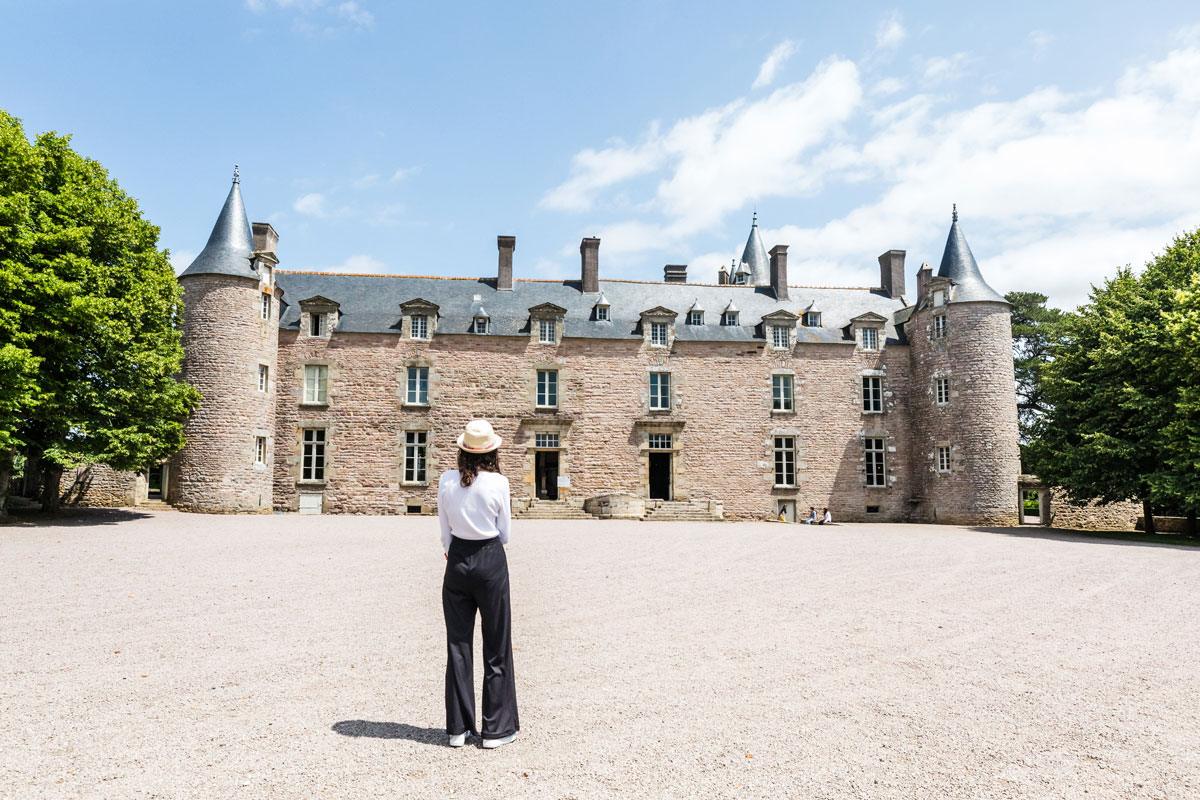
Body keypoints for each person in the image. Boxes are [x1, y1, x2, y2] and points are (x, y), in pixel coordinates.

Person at [439, 419, 519, 749]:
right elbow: (506, 534)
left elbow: (444, 532)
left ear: (462, 450)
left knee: (458, 646)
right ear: (492, 451)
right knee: (496, 645)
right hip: (489, 558)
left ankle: (458, 729)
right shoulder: (499, 483)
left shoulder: (446, 480)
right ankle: (496, 730)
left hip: (457, 560)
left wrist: (455, 551)